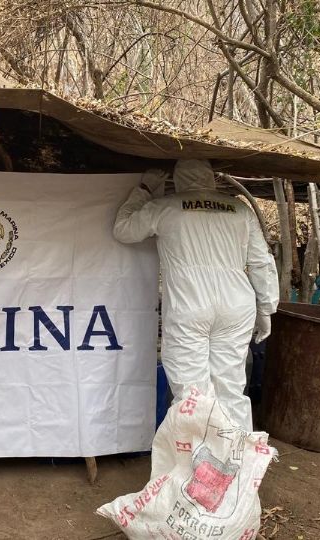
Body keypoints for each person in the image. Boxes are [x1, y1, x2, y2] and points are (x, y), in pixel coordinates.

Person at [112, 159, 278, 431]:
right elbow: (261, 262)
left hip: (190, 305)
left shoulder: (165, 207)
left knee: (191, 391)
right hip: (237, 305)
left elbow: (123, 230)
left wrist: (143, 189)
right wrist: (266, 308)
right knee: (231, 387)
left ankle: (198, 465)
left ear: (177, 180)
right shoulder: (239, 209)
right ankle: (236, 465)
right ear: (211, 178)